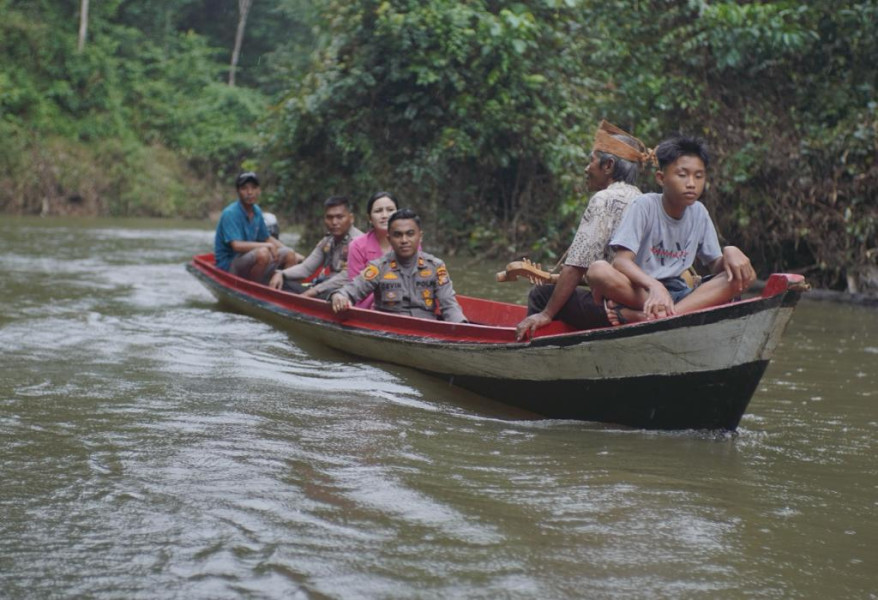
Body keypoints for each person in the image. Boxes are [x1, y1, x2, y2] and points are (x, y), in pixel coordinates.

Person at [586, 134, 756, 324]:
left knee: (744, 275)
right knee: (597, 271)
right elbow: (621, 263)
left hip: (681, 295)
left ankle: (653, 316)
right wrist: (654, 286)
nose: (691, 183)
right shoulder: (644, 206)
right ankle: (666, 313)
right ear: (661, 178)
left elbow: (716, 267)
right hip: (642, 292)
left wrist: (731, 252)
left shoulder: (699, 212)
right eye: (682, 175)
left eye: (698, 176)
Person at [515, 121, 651, 340]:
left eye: (592, 161)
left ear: (608, 166)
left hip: (618, 302)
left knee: (540, 296)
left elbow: (576, 266)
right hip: (644, 294)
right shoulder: (645, 199)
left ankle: (535, 353)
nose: (587, 168)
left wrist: (547, 313)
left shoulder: (604, 199)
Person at [330, 209, 467, 322]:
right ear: (389, 239)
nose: (404, 240)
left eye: (410, 234)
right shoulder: (378, 267)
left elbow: (449, 305)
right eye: (398, 235)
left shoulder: (436, 267)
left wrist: (462, 327)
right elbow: (351, 290)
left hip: (428, 330)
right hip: (388, 330)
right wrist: (340, 296)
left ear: (420, 236)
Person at [269, 196, 363, 299]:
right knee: (284, 283)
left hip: (344, 293)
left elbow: (347, 276)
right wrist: (281, 274)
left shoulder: (359, 242)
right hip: (323, 288)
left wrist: (314, 291)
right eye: (329, 217)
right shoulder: (328, 240)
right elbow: (306, 268)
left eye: (339, 217)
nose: (334, 222)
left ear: (351, 218)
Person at [214, 171, 297, 283]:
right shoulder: (230, 213)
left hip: (247, 259)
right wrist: (267, 245)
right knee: (263, 253)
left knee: (290, 255)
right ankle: (255, 288)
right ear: (238, 191)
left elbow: (266, 237)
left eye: (253, 188)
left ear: (259, 190)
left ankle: (284, 288)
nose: (250, 192)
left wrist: (290, 251)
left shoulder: (256, 210)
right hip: (229, 265)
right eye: (244, 188)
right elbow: (236, 246)